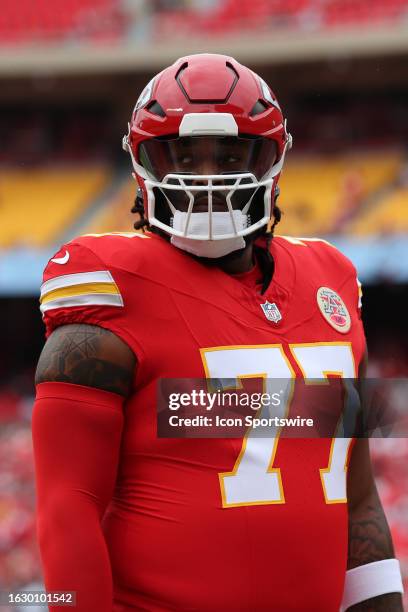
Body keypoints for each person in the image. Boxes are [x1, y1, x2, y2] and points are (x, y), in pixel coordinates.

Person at [32, 54, 403, 611]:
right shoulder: (111, 288)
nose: (209, 177)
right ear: (143, 164)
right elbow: (68, 510)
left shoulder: (333, 285)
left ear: (273, 161)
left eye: (232, 154)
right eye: (183, 154)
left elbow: (358, 502)